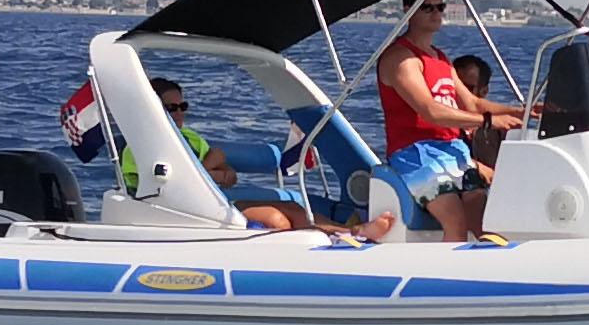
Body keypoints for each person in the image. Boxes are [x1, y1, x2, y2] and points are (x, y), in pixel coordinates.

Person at [124, 77, 393, 241]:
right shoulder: (141, 146)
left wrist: (212, 171)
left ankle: (351, 232)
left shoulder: (192, 140)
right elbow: (174, 186)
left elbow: (230, 177)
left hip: (216, 202)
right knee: (278, 220)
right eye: (172, 108)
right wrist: (210, 167)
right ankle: (349, 234)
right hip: (186, 211)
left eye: (183, 106)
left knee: (295, 210)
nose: (180, 113)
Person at [377, 0, 524, 241]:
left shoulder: (440, 58)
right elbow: (430, 111)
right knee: (455, 221)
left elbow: (473, 103)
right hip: (416, 155)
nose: (436, 13)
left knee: (482, 218)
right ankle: (441, 277)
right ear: (409, 10)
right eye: (427, 8)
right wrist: (489, 121)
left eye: (440, 6)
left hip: (452, 152)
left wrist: (521, 112)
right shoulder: (401, 59)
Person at [452, 54, 504, 173]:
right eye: (453, 87)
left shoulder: (500, 131)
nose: (459, 94)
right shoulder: (437, 126)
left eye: (467, 88)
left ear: (484, 91)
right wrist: (475, 165)